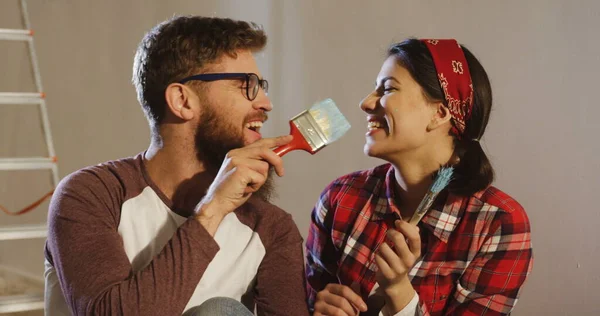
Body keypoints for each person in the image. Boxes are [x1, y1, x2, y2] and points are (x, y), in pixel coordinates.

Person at [44, 15, 309, 316]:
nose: (265, 102)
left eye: (260, 85)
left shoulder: (271, 228)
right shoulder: (90, 195)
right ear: (182, 100)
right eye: (245, 85)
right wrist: (212, 211)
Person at [305, 38, 533, 315]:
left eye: (387, 88)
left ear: (439, 113)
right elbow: (302, 301)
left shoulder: (499, 224)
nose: (365, 103)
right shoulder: (340, 197)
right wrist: (317, 308)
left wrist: (399, 292)